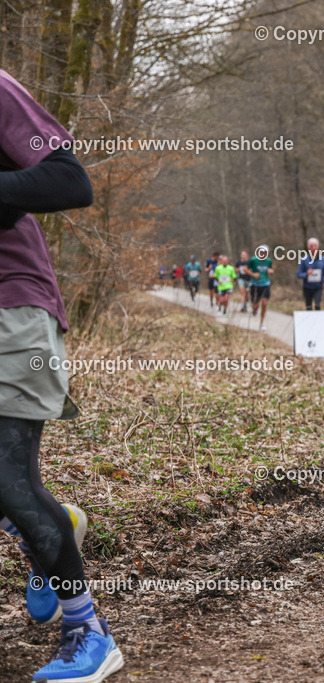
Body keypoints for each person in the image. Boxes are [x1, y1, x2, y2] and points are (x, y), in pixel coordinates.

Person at [0, 68, 123, 682]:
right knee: (16, 493)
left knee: (7, 478)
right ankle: (51, 522)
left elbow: (67, 179)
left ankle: (89, 632)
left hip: (11, 309)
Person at [246, 245, 273, 332]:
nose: (263, 254)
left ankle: (261, 324)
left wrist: (270, 271)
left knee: (264, 303)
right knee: (255, 305)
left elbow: (270, 269)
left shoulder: (269, 261)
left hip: (265, 284)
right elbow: (246, 269)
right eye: (261, 252)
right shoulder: (253, 260)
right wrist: (253, 274)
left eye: (265, 253)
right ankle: (254, 309)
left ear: (267, 253)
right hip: (255, 284)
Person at [297, 237, 324, 310]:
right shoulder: (304, 260)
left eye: (315, 246)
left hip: (318, 287)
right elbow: (299, 274)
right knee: (309, 307)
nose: (313, 248)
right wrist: (306, 274)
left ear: (317, 247)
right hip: (307, 287)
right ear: (308, 248)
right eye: (311, 246)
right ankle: (310, 321)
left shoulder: (322, 259)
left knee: (317, 305)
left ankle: (318, 321)